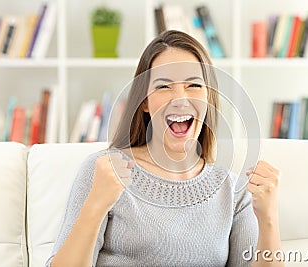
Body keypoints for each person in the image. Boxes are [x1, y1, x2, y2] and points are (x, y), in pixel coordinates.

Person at [46, 30, 284, 267]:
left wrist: (268, 218)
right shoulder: (105, 172)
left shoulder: (233, 192)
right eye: (163, 87)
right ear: (145, 102)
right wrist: (96, 203)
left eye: (193, 85)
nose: (180, 99)